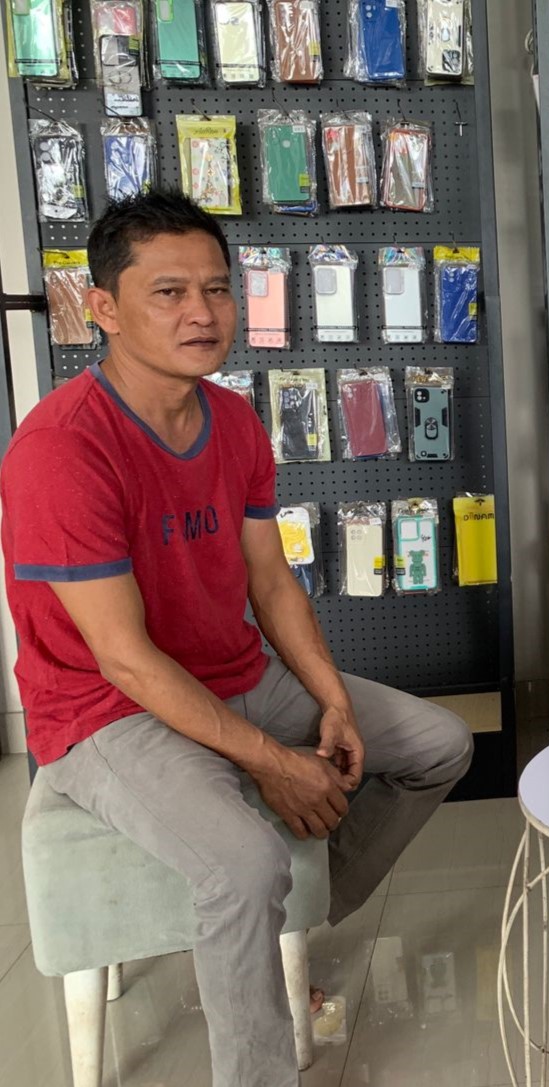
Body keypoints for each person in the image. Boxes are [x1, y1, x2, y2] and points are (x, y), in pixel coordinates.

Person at [1, 191, 474, 1087]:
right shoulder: (60, 448)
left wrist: (332, 702)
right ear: (104, 308)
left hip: (236, 674)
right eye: (169, 292)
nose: (203, 313)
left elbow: (271, 580)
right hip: (104, 712)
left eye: (217, 289)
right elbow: (124, 658)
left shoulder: (235, 420)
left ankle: (299, 906)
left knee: (437, 744)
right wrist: (273, 761)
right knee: (247, 862)